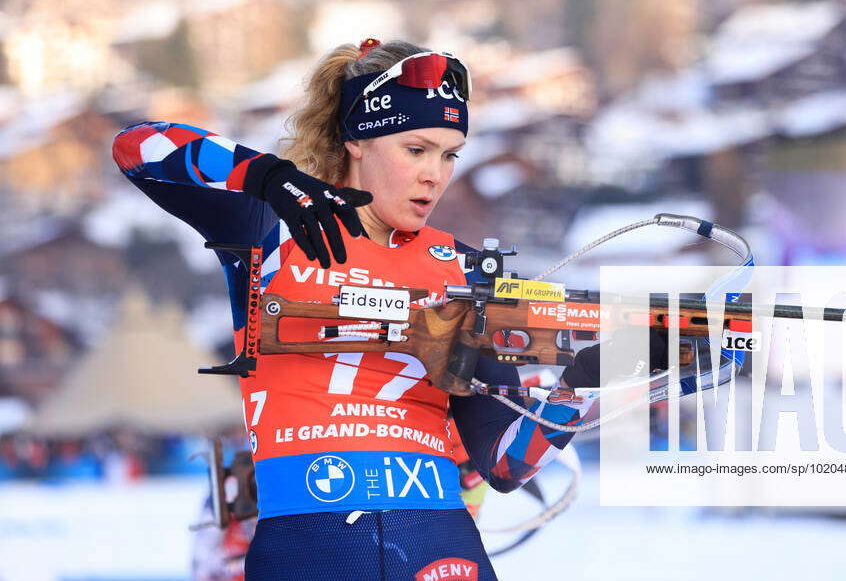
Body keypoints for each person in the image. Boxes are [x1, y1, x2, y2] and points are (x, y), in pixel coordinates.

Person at [111, 39, 601, 580]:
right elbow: (137, 148)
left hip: (440, 541)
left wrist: (582, 385)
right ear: (356, 140)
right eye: (416, 150)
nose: (435, 174)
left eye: (449, 153)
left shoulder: (461, 267)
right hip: (306, 540)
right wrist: (265, 177)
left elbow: (507, 463)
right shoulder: (270, 229)